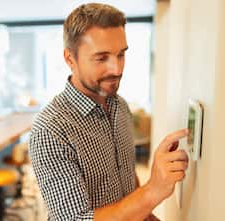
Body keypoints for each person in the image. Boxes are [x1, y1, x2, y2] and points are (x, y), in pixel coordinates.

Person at [29, 3, 189, 221]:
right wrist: (153, 190)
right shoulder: (51, 130)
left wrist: (146, 215)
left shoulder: (119, 106)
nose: (117, 69)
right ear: (70, 59)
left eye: (121, 55)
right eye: (101, 58)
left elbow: (126, 177)